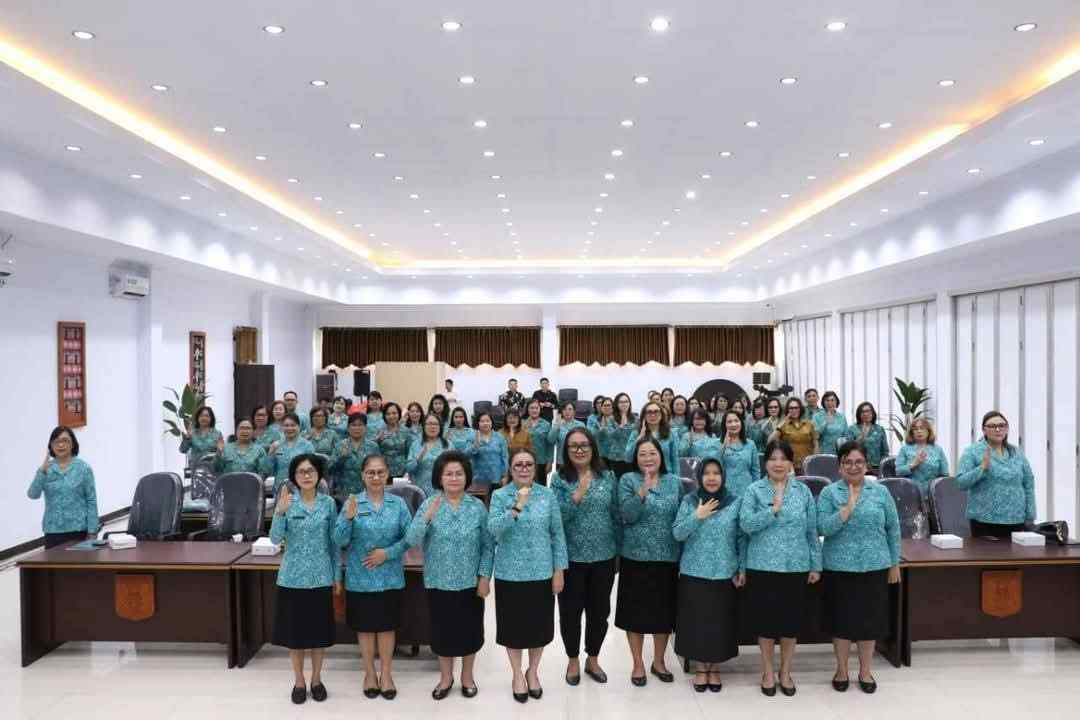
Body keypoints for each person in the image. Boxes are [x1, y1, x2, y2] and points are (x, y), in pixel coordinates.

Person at [405, 452, 493, 700]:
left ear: (466, 477)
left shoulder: (477, 507)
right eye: (448, 474)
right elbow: (411, 539)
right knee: (442, 632)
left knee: (470, 632)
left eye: (459, 474)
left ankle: (467, 676)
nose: (454, 478)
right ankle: (446, 678)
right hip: (438, 581)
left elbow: (488, 546)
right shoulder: (429, 504)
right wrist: (426, 517)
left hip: (470, 582)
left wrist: (484, 577)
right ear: (439, 478)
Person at [817, 441, 901, 694]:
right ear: (840, 466)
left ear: (866, 465)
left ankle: (865, 671)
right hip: (839, 566)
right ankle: (842, 670)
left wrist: (894, 563)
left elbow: (893, 529)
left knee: (869, 622)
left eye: (859, 462)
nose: (853, 467)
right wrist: (846, 511)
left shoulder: (880, 492)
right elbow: (822, 527)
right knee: (842, 622)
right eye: (848, 462)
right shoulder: (829, 493)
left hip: (875, 565)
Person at [740, 440, 822, 697]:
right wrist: (772, 511)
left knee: (790, 624)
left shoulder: (802, 491)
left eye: (783, 459)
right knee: (765, 624)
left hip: (796, 565)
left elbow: (812, 531)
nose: (778, 463)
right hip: (762, 565)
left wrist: (816, 564)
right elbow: (745, 525)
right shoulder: (754, 490)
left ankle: (785, 671)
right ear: (765, 463)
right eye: (773, 458)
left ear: (790, 463)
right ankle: (767, 671)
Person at [489, 449, 569, 703]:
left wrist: (559, 570)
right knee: (513, 629)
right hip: (509, 573)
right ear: (511, 469)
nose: (524, 468)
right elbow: (494, 530)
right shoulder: (500, 495)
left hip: (541, 571)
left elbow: (557, 534)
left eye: (529, 464)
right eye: (518, 465)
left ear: (536, 468)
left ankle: (533, 671)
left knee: (539, 628)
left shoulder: (547, 495)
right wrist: (516, 507)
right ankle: (516, 674)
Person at [334, 454, 413, 700]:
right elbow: (339, 540)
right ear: (362, 476)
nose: (376, 477)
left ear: (387, 474)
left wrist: (387, 554)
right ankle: (369, 673)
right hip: (361, 577)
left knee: (387, 627)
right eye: (370, 472)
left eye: (380, 472)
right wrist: (348, 519)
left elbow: (410, 538)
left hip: (390, 576)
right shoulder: (353, 503)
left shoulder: (398, 504)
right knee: (366, 628)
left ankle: (386, 674)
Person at [550, 428, 619, 686]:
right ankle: (572, 659)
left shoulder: (608, 476)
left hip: (604, 555)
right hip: (571, 558)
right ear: (566, 451)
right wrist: (577, 494)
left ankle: (593, 658)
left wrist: (618, 551)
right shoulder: (559, 479)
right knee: (570, 612)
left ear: (593, 448)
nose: (579, 450)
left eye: (584, 445)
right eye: (573, 446)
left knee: (599, 612)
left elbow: (615, 514)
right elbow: (555, 518)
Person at [672, 458, 745, 693]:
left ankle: (714, 667)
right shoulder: (690, 501)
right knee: (698, 622)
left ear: (723, 476)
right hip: (694, 571)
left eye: (716, 473)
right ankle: (701, 668)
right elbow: (677, 533)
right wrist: (698, 515)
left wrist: (741, 568)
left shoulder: (734, 502)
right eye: (707, 473)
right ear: (699, 477)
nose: (712, 478)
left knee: (719, 623)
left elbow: (741, 538)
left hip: (725, 572)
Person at [270, 454, 337, 704]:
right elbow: (275, 539)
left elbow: (333, 543)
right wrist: (279, 512)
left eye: (311, 471)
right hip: (292, 578)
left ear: (319, 475)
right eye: (301, 471)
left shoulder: (328, 503)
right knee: (296, 637)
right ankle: (299, 681)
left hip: (320, 577)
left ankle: (316, 680)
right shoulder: (288, 502)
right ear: (294, 477)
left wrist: (337, 576)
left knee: (318, 636)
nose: (306, 475)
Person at [616, 437, 684, 687]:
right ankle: (637, 663)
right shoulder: (628, 480)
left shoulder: (674, 482)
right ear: (636, 458)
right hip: (635, 556)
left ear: (661, 456)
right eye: (642, 454)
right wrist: (642, 492)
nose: (648, 458)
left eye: (652, 453)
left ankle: (659, 661)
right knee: (634, 613)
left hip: (667, 556)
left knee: (663, 613)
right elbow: (627, 515)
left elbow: (681, 517)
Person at [956, 411, 1036, 537]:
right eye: (992, 426)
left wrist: (1030, 515)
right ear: (984, 430)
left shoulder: (1016, 453)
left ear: (1007, 429)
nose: (998, 429)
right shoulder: (972, 451)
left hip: (1016, 519)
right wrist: (981, 468)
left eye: (1002, 425)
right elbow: (960, 483)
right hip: (984, 521)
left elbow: (1029, 483)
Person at [28, 426, 99, 548]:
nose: (60, 445)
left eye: (65, 441)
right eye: (56, 441)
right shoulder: (46, 469)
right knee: (53, 561)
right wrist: (42, 471)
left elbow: (91, 500)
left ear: (72, 444)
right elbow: (33, 495)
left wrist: (92, 531)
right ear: (51, 446)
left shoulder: (83, 469)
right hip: (52, 531)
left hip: (78, 530)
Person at [262, 413, 316, 493]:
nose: (289, 428)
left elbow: (312, 470)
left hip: (302, 490)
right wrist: (271, 452)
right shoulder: (277, 445)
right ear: (282, 427)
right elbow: (267, 470)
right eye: (286, 425)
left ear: (299, 427)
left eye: (293, 425)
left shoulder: (307, 446)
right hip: (280, 489)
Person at [895, 417, 949, 495]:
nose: (919, 431)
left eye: (922, 428)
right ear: (912, 433)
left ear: (928, 431)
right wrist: (913, 464)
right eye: (915, 429)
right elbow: (898, 471)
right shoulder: (905, 449)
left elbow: (945, 474)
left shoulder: (938, 449)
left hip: (933, 493)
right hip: (911, 492)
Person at [332, 414, 380, 497]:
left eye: (360, 425)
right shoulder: (340, 446)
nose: (357, 428)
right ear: (348, 428)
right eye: (353, 425)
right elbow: (330, 470)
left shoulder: (373, 446)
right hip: (344, 491)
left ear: (365, 428)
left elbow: (379, 469)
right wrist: (341, 458)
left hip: (367, 491)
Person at [716, 410, 761, 498]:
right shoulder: (717, 444)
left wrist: (756, 492)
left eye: (736, 421)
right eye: (729, 422)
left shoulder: (750, 444)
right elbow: (714, 466)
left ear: (741, 423)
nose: (733, 424)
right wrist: (724, 447)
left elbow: (756, 471)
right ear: (724, 425)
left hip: (747, 491)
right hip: (725, 492)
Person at [626, 400, 679, 474]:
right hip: (643, 475)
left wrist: (676, 478)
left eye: (656, 411)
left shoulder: (671, 434)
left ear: (661, 415)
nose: (653, 415)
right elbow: (628, 458)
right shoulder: (636, 433)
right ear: (644, 416)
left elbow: (675, 460)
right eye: (649, 412)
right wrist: (639, 438)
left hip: (666, 475)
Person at [406, 414, 451, 498]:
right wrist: (417, 460)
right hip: (419, 491)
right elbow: (408, 468)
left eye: (435, 424)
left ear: (440, 427)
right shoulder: (416, 444)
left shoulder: (448, 445)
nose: (432, 427)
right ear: (424, 426)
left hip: (442, 489)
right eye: (429, 424)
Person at [768, 398, 819, 471]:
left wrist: (815, 460)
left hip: (807, 465)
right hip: (789, 465)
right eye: (791, 408)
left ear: (800, 409)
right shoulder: (783, 425)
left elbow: (816, 443)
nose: (794, 410)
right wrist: (781, 423)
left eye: (796, 408)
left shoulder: (809, 424)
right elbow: (770, 441)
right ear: (787, 410)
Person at [597, 393, 636, 479]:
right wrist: (621, 426)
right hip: (616, 457)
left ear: (629, 403)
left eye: (626, 401)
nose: (624, 404)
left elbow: (637, 437)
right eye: (621, 402)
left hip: (632, 457)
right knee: (616, 482)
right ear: (617, 404)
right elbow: (611, 436)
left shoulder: (635, 419)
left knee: (630, 482)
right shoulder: (611, 419)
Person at [844, 402, 890, 472]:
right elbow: (848, 450)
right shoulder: (852, 429)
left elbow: (885, 451)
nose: (865, 414)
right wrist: (861, 437)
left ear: (873, 413)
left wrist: (882, 467)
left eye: (868, 411)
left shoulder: (879, 429)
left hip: (876, 467)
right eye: (862, 412)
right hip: (856, 467)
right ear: (859, 414)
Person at [470, 412, 509, 490]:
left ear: (491, 422)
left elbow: (505, 457)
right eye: (482, 421)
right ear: (478, 423)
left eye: (488, 421)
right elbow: (466, 455)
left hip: (496, 478)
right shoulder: (472, 436)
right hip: (479, 479)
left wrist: (505, 475)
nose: (485, 423)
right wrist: (475, 446)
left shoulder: (499, 437)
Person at [374, 402, 411, 478]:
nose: (391, 416)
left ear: (399, 414)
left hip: (402, 472)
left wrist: (408, 471)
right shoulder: (379, 431)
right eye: (388, 414)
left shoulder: (406, 431)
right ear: (384, 416)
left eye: (394, 413)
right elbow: (374, 450)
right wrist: (377, 440)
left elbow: (409, 453)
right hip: (383, 472)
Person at [549, 401, 586, 470]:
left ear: (574, 412)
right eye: (564, 409)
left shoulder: (581, 425)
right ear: (561, 412)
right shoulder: (557, 424)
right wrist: (557, 426)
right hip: (562, 461)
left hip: (577, 459)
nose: (567, 411)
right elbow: (551, 440)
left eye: (570, 409)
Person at [523, 399, 554, 479]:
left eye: (536, 408)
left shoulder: (546, 424)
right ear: (527, 409)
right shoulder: (522, 424)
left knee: (541, 485)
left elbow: (550, 445)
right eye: (532, 408)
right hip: (525, 461)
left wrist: (550, 462)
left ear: (540, 409)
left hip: (541, 461)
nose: (534, 410)